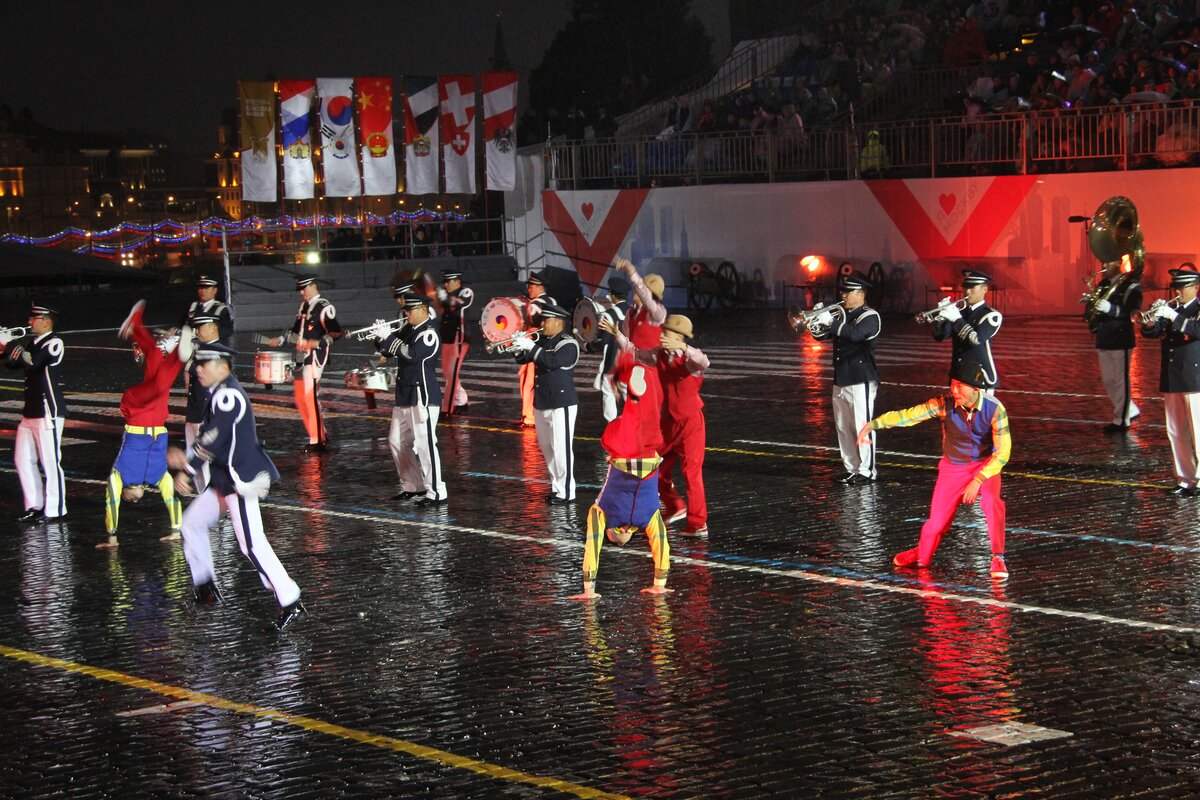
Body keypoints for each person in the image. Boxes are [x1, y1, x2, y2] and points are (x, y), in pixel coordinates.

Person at [167, 342, 306, 631]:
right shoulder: (220, 392)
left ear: (222, 367)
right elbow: (211, 437)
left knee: (251, 544)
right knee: (192, 523)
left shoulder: (228, 395)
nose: (198, 370)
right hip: (224, 478)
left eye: (204, 365)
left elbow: (214, 438)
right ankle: (205, 587)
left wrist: (188, 468)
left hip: (239, 479)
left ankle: (290, 600)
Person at [856, 365, 1011, 580]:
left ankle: (998, 557)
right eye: (952, 385)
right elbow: (909, 416)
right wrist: (874, 424)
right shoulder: (943, 404)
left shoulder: (995, 409)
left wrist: (978, 479)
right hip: (953, 468)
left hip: (985, 465)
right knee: (937, 523)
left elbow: (1002, 453)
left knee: (992, 501)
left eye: (960, 386)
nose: (954, 391)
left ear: (975, 388)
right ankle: (922, 552)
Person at [571, 352, 671, 600]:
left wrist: (659, 584)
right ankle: (634, 391)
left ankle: (641, 383)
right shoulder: (602, 512)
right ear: (612, 532)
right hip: (626, 456)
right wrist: (588, 589)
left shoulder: (648, 517)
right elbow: (592, 545)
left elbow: (662, 546)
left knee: (648, 417)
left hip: (648, 458)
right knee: (626, 425)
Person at [609, 312, 710, 536]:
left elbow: (704, 361)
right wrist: (617, 335)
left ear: (680, 337)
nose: (662, 335)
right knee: (654, 464)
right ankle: (675, 505)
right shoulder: (660, 354)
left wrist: (683, 348)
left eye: (668, 332)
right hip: (669, 422)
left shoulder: (689, 360)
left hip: (691, 422)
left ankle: (698, 523)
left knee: (691, 472)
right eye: (663, 331)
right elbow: (636, 352)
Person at [99, 301, 186, 549]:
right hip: (158, 417)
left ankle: (178, 349)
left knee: (159, 385)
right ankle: (138, 328)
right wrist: (176, 531)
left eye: (129, 500)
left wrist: (112, 537)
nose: (133, 500)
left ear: (124, 493)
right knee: (156, 364)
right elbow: (172, 499)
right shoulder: (157, 476)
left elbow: (111, 503)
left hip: (136, 409)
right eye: (136, 501)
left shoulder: (119, 475)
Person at [373, 293, 447, 507]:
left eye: (410, 310)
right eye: (406, 310)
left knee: (425, 445)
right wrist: (379, 336)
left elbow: (411, 355)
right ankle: (413, 486)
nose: (407, 314)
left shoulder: (429, 333)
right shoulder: (408, 329)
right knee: (396, 441)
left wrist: (389, 338)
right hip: (405, 395)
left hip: (422, 396)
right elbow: (387, 350)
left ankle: (437, 492)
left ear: (423, 309)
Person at [808, 271, 881, 485]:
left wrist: (831, 321)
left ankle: (867, 471)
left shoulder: (870, 316)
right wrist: (815, 321)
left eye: (848, 292)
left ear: (861, 294)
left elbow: (855, 334)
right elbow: (822, 336)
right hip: (841, 377)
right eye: (843, 292)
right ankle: (852, 468)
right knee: (843, 426)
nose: (844, 295)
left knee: (862, 426)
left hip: (860, 378)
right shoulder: (841, 316)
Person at [3, 304, 67, 523]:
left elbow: (33, 361)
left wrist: (10, 343)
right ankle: (34, 505)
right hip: (30, 411)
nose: (30, 322)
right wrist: (4, 348)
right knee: (22, 459)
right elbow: (12, 364)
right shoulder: (34, 343)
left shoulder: (54, 342)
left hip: (48, 410)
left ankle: (56, 510)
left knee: (50, 461)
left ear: (47, 322)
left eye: (34, 318)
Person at [512, 302, 579, 504]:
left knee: (561, 449)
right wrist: (518, 347)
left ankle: (567, 491)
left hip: (561, 402)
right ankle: (557, 488)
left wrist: (531, 346)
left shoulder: (568, 343)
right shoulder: (543, 341)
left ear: (558, 322)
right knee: (547, 447)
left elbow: (551, 361)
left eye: (546, 320)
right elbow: (524, 359)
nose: (542, 324)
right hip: (542, 401)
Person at [1141, 265, 1200, 496]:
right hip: (1172, 377)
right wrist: (1150, 320)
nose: (1178, 292)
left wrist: (1172, 315)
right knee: (1175, 431)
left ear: (1195, 287)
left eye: (1183, 287)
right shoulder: (1172, 309)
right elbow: (1152, 333)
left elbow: (1196, 329)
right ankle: (1185, 479)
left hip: (1194, 378)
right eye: (1176, 287)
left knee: (1198, 431)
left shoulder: (1195, 309)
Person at [269, 276, 342, 451]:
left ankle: (316, 440)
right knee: (301, 399)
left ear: (313, 286)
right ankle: (320, 433)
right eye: (300, 289)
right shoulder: (303, 306)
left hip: (314, 356)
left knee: (310, 397)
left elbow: (336, 332)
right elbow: (296, 330)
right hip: (300, 356)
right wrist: (281, 339)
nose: (301, 292)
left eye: (304, 288)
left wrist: (320, 342)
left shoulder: (325, 306)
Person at [1083, 259, 1142, 433]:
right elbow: (1096, 311)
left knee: (1120, 381)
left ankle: (1121, 420)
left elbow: (1133, 313)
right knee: (1108, 380)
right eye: (1103, 263)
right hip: (1104, 338)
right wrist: (1090, 304)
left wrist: (1111, 309)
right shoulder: (1103, 285)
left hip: (1120, 338)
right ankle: (1130, 409)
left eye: (1108, 262)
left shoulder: (1131, 286)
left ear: (1118, 263)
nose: (1104, 266)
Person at [932, 269, 1002, 391]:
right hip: (958, 376)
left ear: (985, 289)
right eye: (966, 287)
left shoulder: (991, 315)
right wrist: (941, 318)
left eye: (972, 287)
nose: (967, 292)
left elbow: (976, 339)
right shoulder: (960, 313)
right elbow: (940, 336)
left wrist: (956, 319)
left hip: (979, 378)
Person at [183, 312, 224, 450]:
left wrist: (184, 359)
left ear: (213, 328)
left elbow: (204, 373)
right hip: (195, 407)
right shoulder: (201, 347)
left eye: (200, 327)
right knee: (191, 449)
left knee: (203, 452)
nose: (196, 331)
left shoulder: (217, 350)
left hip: (205, 408)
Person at [590, 276, 629, 422]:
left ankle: (611, 427)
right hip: (630, 362)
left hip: (612, 362)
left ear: (613, 295)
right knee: (630, 396)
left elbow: (602, 341)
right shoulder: (633, 312)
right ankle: (633, 426)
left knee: (609, 395)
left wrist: (588, 345)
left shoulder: (608, 315)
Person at [518, 272, 554, 427]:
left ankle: (528, 416)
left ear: (539, 287)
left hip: (533, 346)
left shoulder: (534, 304)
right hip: (549, 347)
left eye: (531, 286)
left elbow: (532, 326)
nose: (529, 289)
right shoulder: (552, 301)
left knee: (528, 382)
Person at [437, 270, 473, 416]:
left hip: (459, 337)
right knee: (447, 372)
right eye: (445, 282)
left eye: (448, 281)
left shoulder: (465, 292)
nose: (446, 285)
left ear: (457, 281)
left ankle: (447, 408)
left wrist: (446, 298)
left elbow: (459, 304)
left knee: (452, 373)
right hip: (447, 337)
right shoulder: (446, 295)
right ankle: (461, 399)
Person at [615, 257, 667, 350]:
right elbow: (626, 344)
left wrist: (631, 271)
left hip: (651, 359)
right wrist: (616, 334)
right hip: (633, 358)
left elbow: (647, 299)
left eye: (642, 289)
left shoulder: (658, 313)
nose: (637, 290)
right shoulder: (631, 312)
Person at [181, 274, 233, 345]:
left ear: (215, 290)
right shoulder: (192, 307)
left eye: (206, 288)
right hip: (191, 344)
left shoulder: (221, 309)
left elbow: (228, 330)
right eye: (200, 288)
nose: (203, 291)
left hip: (212, 345)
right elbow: (182, 324)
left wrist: (210, 334)